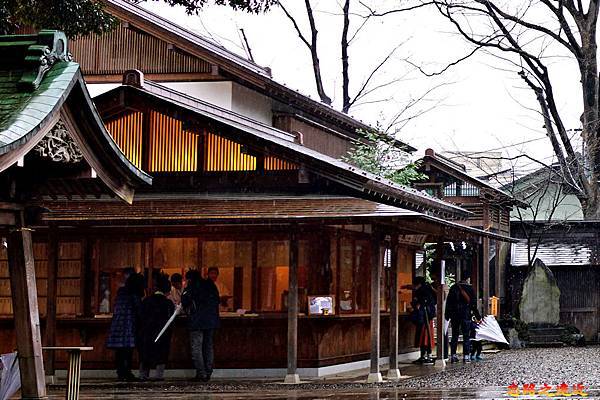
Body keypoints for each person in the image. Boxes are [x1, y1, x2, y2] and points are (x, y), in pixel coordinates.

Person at [182, 269, 220, 382]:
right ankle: (208, 371)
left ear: (189, 279)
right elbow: (217, 300)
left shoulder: (191, 286)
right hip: (211, 320)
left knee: (197, 347)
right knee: (208, 346)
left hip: (197, 321)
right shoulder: (210, 285)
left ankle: (201, 373)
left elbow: (185, 301)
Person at [106, 272, 145, 381]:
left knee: (120, 351)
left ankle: (120, 372)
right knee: (127, 351)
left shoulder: (121, 293)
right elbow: (139, 310)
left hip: (118, 324)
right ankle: (126, 372)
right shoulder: (134, 294)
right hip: (128, 325)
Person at [138, 274, 176, 381]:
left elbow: (140, 316)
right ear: (167, 291)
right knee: (161, 354)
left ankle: (143, 375)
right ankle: (158, 376)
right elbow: (171, 320)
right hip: (162, 334)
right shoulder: (168, 303)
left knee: (146, 354)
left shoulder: (146, 301)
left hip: (147, 333)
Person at [445, 275, 480, 363]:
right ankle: (466, 356)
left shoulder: (453, 288)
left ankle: (453, 355)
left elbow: (449, 302)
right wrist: (478, 316)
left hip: (454, 314)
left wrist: (447, 314)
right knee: (466, 336)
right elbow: (473, 304)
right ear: (467, 279)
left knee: (455, 335)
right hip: (466, 314)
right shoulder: (470, 289)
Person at [411, 276, 436, 365]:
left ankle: (424, 356)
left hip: (424, 317)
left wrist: (416, 304)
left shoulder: (421, 292)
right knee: (427, 337)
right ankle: (427, 355)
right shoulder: (429, 289)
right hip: (429, 316)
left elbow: (418, 305)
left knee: (424, 337)